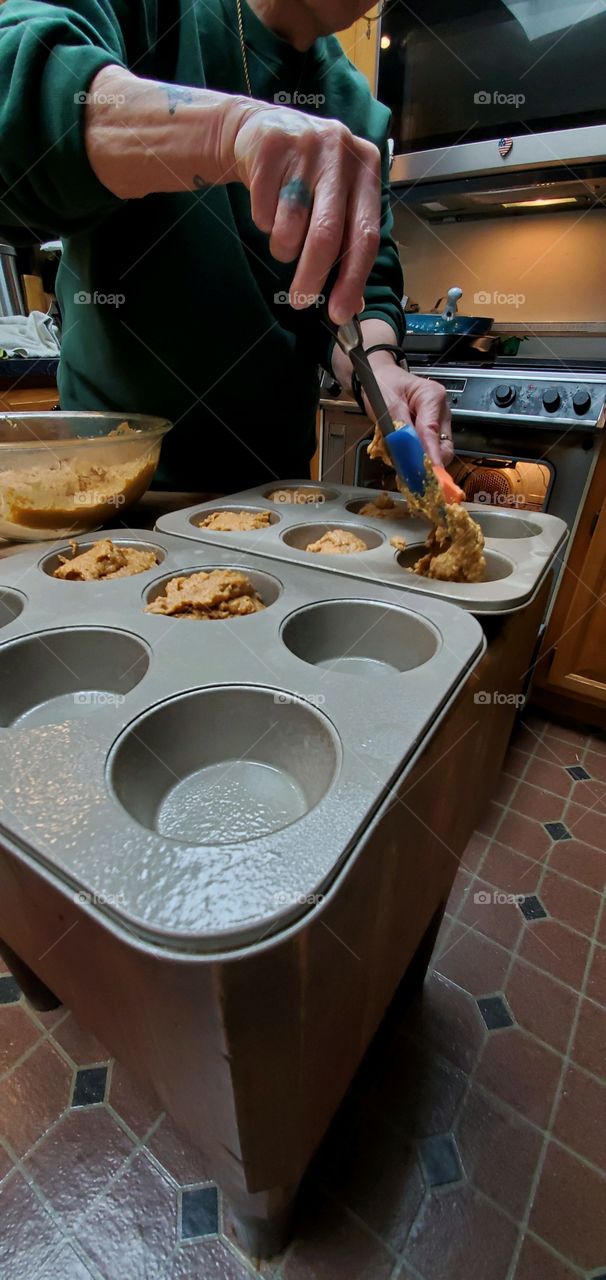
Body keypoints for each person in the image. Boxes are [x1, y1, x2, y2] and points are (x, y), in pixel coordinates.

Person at [0, 0, 452, 491]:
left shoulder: (358, 112)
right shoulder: (157, 14)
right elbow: (14, 98)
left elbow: (362, 294)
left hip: (272, 500)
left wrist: (381, 370)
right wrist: (228, 130)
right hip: (107, 487)